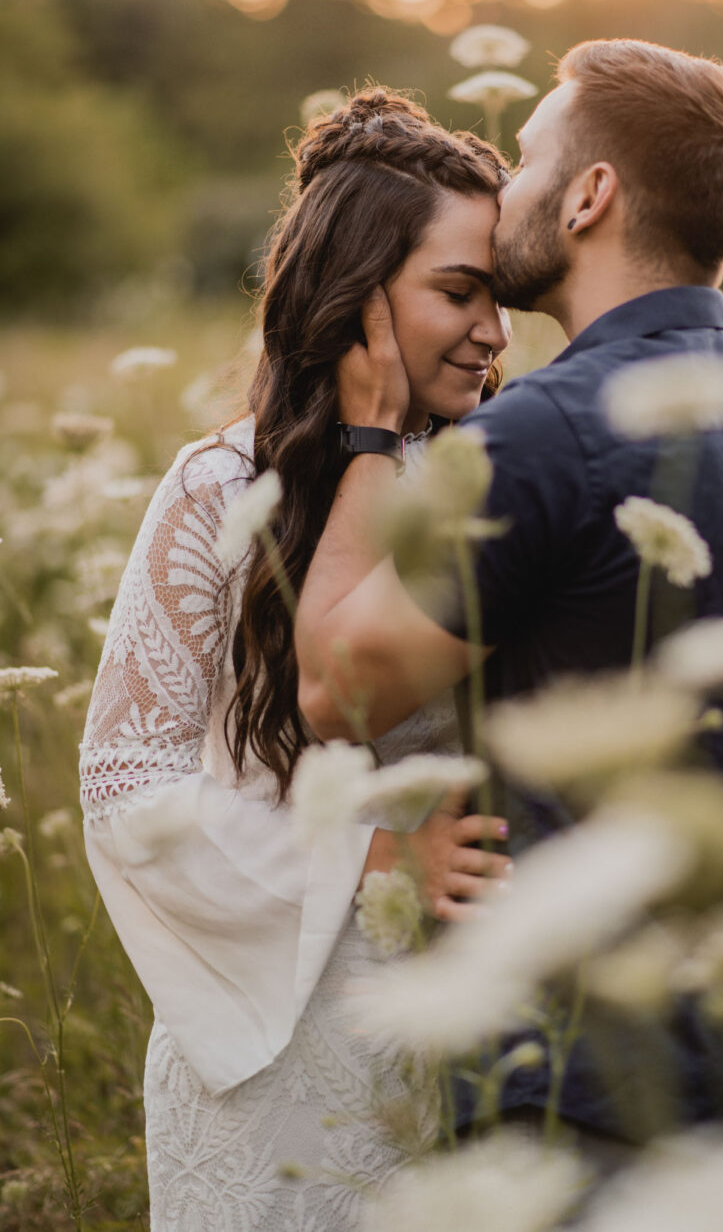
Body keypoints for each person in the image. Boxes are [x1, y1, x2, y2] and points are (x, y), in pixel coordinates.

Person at [295, 39, 723, 1149]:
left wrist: (367, 428)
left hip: (563, 1077)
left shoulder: (545, 429)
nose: (505, 184)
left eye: (528, 153)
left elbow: (335, 685)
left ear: (591, 193)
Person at [79, 88, 513, 1231]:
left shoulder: (489, 484)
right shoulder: (218, 488)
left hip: (462, 1031)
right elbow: (125, 782)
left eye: (500, 297)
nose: (494, 331)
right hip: (271, 1048)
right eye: (458, 292)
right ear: (356, 297)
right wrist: (377, 853)